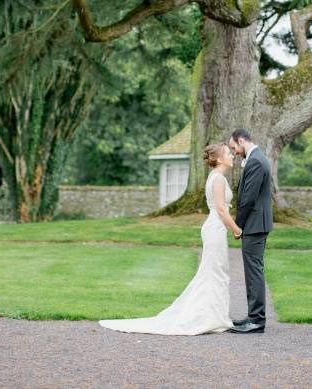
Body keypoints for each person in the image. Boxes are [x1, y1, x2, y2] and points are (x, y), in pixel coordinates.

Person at [99, 142, 241, 335]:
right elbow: (222, 210)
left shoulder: (216, 177)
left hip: (214, 228)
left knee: (215, 271)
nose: (232, 155)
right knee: (216, 272)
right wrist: (237, 229)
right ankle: (209, 317)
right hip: (215, 228)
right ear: (218, 158)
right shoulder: (218, 179)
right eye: (228, 153)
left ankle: (215, 316)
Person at [227, 129, 273, 334]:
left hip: (254, 224)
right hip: (257, 224)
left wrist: (238, 226)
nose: (235, 152)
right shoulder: (256, 157)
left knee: (253, 272)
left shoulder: (255, 161)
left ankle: (256, 320)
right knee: (253, 270)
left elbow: (248, 198)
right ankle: (253, 316)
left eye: (234, 147)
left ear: (242, 141)